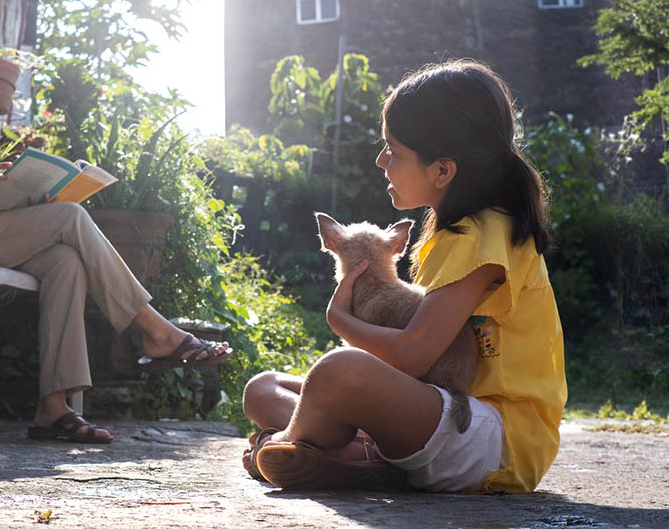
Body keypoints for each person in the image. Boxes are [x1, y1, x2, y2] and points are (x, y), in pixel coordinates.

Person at [0, 16, 231, 444]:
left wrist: (30, 196)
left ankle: (53, 408)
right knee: (71, 217)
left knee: (65, 261)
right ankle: (156, 331)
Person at [242, 60, 566, 493]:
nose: (380, 161)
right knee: (262, 389)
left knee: (338, 370)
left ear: (442, 170)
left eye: (393, 150)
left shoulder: (485, 235)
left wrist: (341, 321)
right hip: (440, 413)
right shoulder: (454, 233)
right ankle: (356, 457)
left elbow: (413, 354)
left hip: (490, 436)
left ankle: (297, 444)